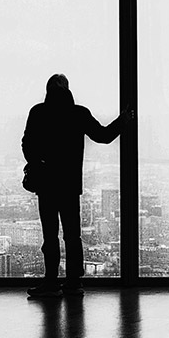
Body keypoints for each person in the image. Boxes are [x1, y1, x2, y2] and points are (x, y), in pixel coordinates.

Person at [21, 74, 125, 299]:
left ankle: (51, 282)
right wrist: (123, 121)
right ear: (68, 89)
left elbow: (27, 144)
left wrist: (38, 162)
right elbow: (103, 135)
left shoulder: (38, 112)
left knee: (50, 235)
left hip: (46, 183)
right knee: (72, 235)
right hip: (69, 185)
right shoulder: (78, 113)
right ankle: (74, 282)